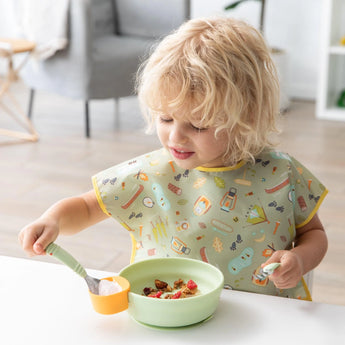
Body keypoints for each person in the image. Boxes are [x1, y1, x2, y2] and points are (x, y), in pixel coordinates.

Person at [19, 17, 328, 300]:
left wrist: (300, 259)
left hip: (260, 318)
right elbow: (87, 207)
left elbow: (313, 234)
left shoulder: (281, 173)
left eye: (197, 125)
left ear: (244, 117)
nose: (175, 137)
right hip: (167, 315)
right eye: (166, 119)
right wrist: (53, 219)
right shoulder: (148, 174)